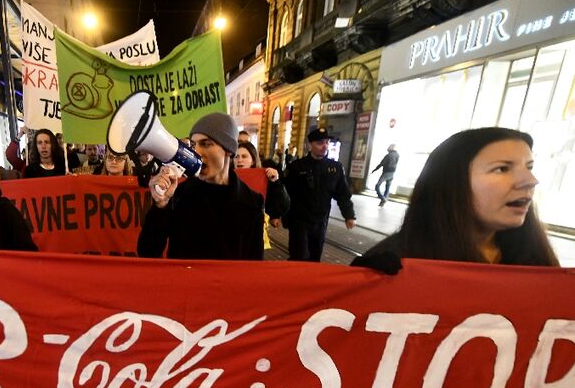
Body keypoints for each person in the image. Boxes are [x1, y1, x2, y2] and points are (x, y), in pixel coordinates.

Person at [353, 127, 559, 271]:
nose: (530, 180)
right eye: (502, 168)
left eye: (529, 167)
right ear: (451, 182)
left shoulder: (537, 260)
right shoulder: (394, 262)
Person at [137, 112, 264, 260]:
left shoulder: (253, 203)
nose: (196, 152)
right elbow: (147, 252)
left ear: (229, 150)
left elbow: (255, 266)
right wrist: (160, 207)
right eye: (194, 144)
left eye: (206, 144)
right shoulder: (178, 195)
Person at [284, 128, 356, 262]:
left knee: (315, 256)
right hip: (299, 221)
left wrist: (349, 215)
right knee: (299, 256)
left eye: (327, 142)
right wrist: (280, 216)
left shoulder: (335, 168)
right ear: (309, 144)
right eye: (320, 143)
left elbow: (342, 194)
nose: (325, 146)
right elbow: (286, 193)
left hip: (320, 222)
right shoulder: (297, 167)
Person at [234, 141, 290, 230]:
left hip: (254, 233)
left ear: (253, 160)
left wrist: (276, 182)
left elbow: (282, 207)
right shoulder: (226, 177)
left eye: (244, 156)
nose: (239, 160)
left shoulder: (264, 178)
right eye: (236, 156)